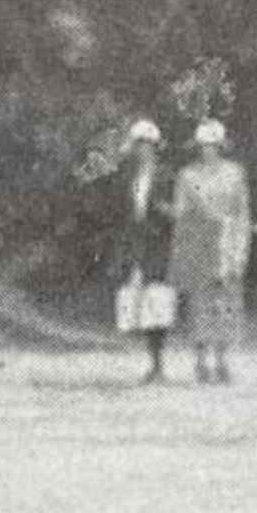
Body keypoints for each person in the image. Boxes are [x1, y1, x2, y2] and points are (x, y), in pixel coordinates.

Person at [166, 119, 251, 384]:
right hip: (198, 242)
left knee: (226, 303)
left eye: (213, 145)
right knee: (200, 304)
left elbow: (242, 212)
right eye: (204, 145)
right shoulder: (187, 175)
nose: (208, 150)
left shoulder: (235, 173)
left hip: (227, 241)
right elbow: (180, 212)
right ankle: (201, 361)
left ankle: (222, 361)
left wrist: (241, 249)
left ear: (221, 147)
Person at [108, 119, 175, 383]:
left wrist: (162, 211)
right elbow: (124, 212)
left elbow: (179, 210)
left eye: (147, 145)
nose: (142, 150)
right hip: (137, 244)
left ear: (155, 147)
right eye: (138, 145)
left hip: (159, 244)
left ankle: (159, 364)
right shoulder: (130, 178)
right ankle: (152, 362)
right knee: (141, 302)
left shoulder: (166, 175)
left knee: (158, 300)